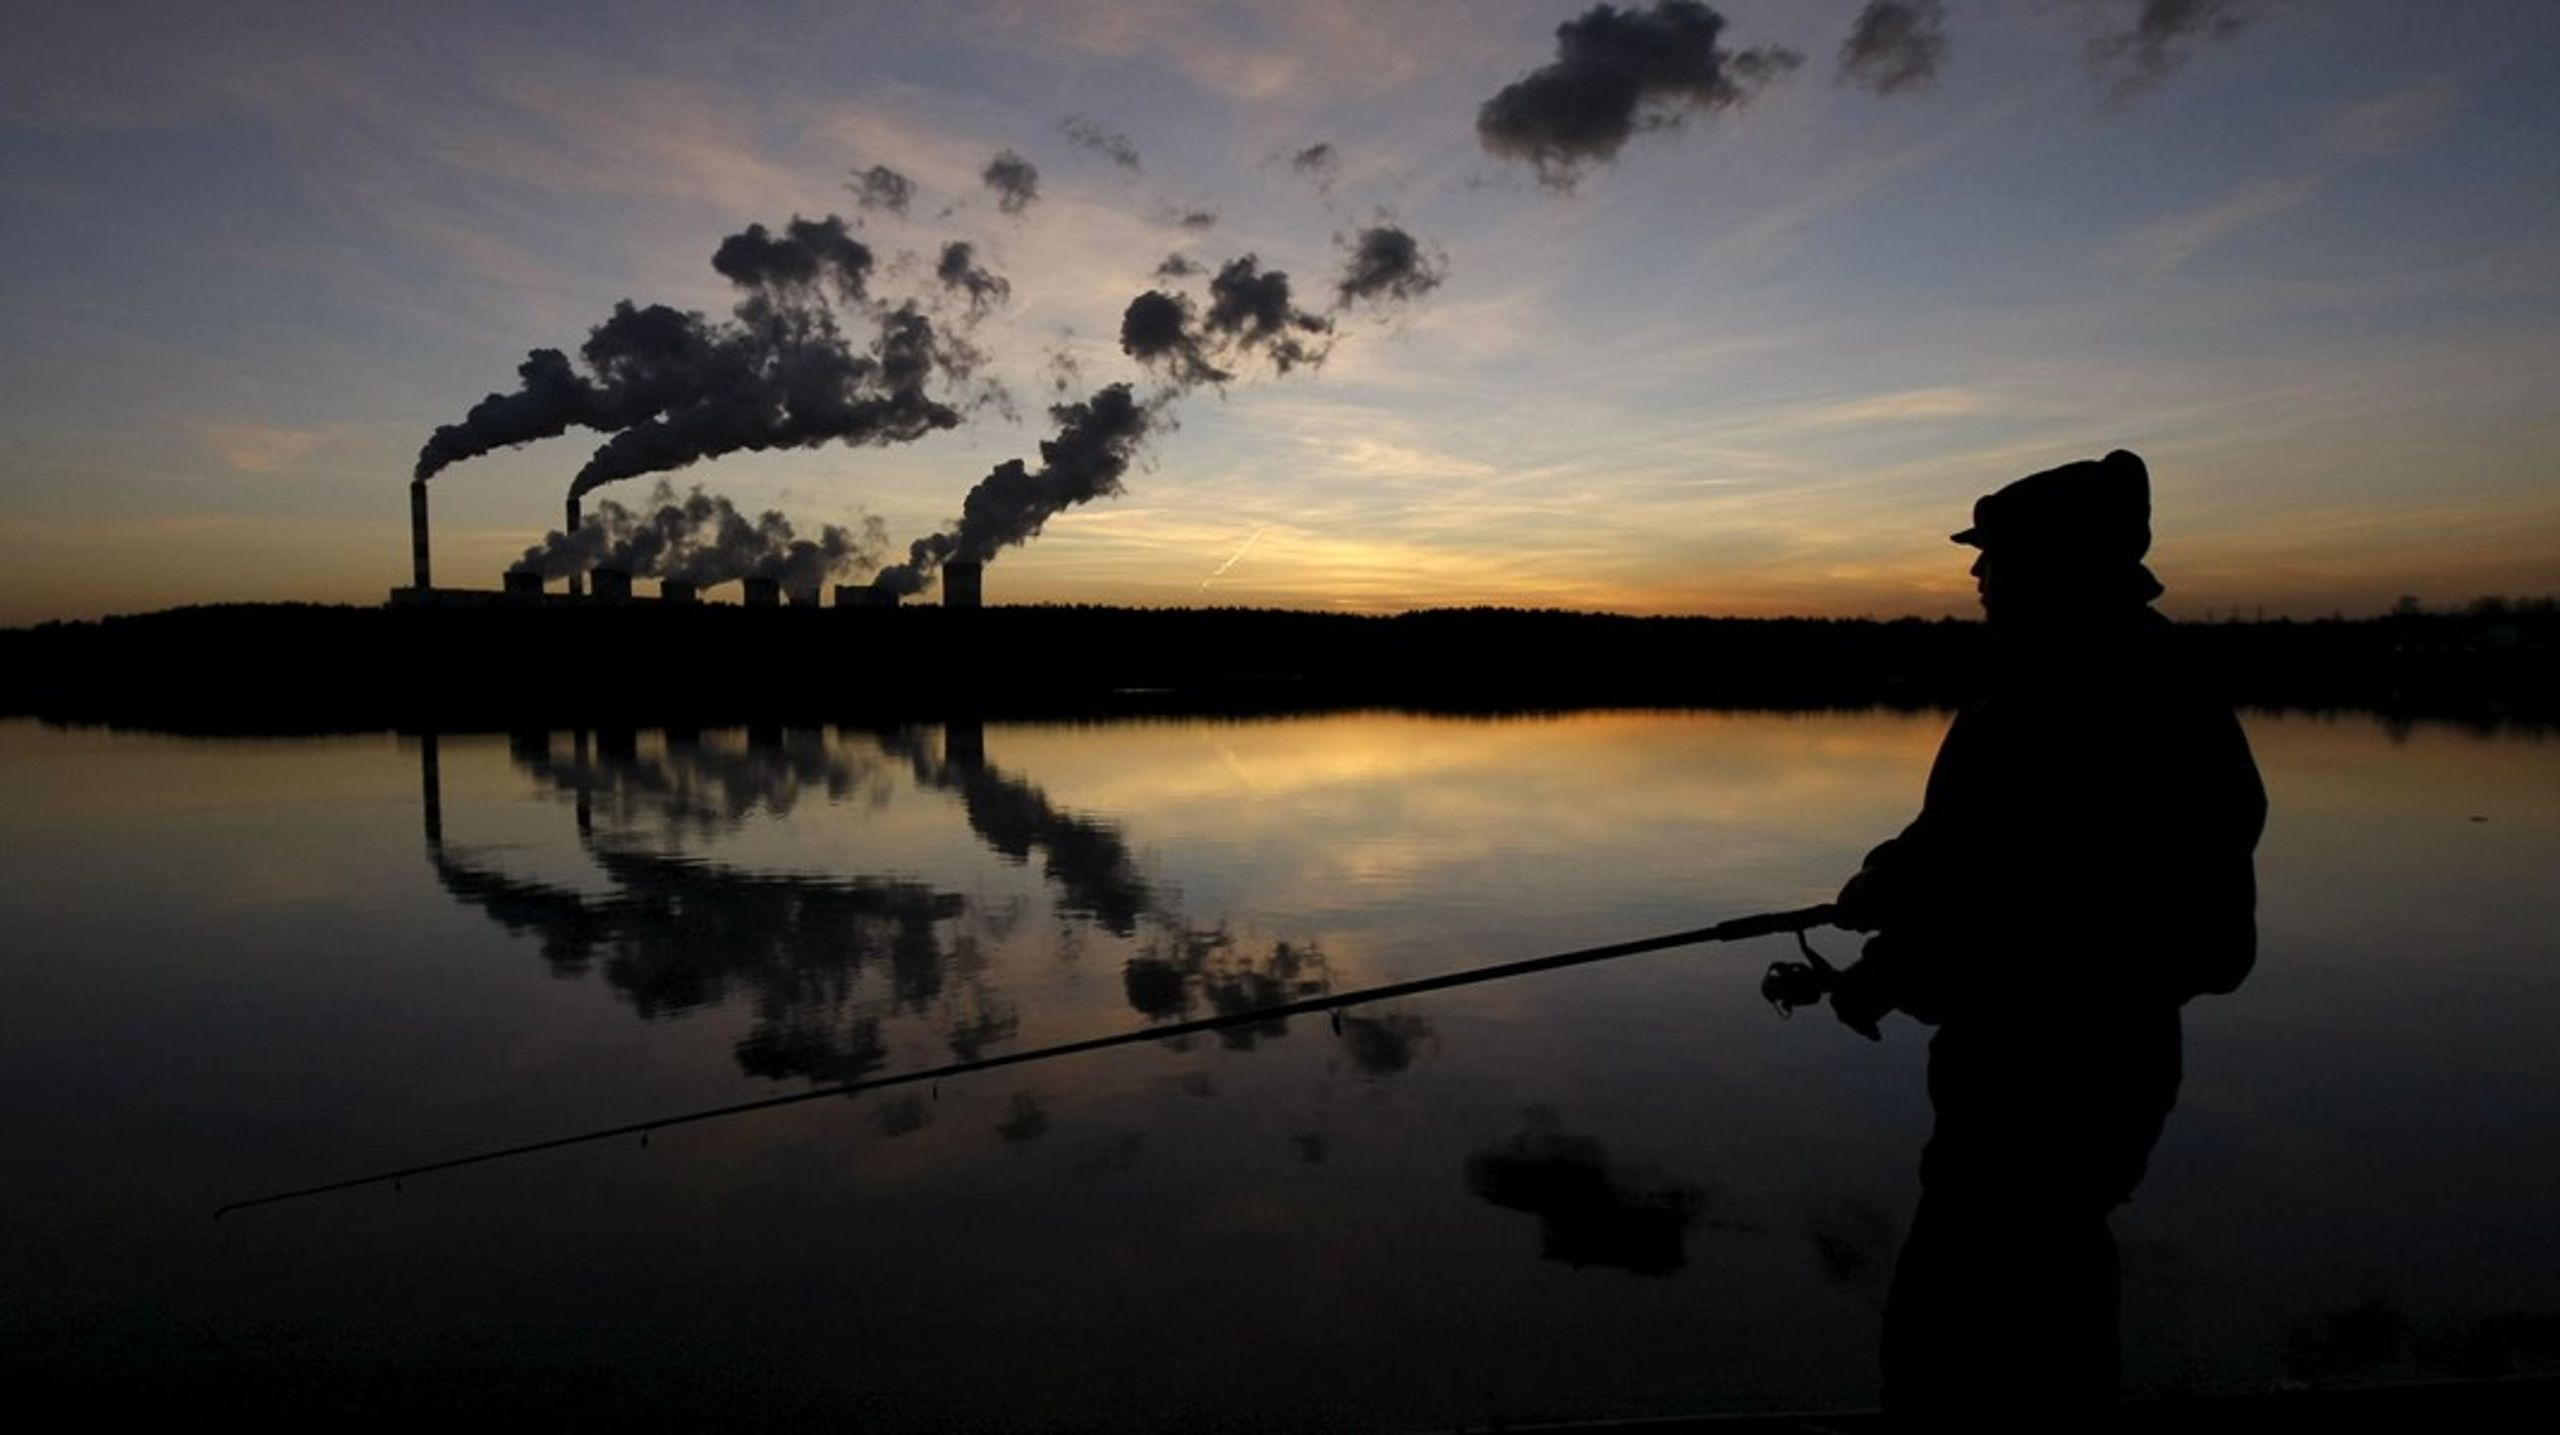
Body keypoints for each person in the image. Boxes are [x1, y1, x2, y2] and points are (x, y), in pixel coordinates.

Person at [1824, 449, 2265, 1419]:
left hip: (2055, 1067)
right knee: (2033, 1301)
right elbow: (1980, 856)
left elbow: (2036, 894)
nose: (1976, 575)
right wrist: (1889, 904)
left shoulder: (2085, 690)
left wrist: (1893, 942)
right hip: (2066, 1057)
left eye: (1995, 556)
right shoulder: (2082, 676)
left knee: (1972, 1329)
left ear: (2058, 561)